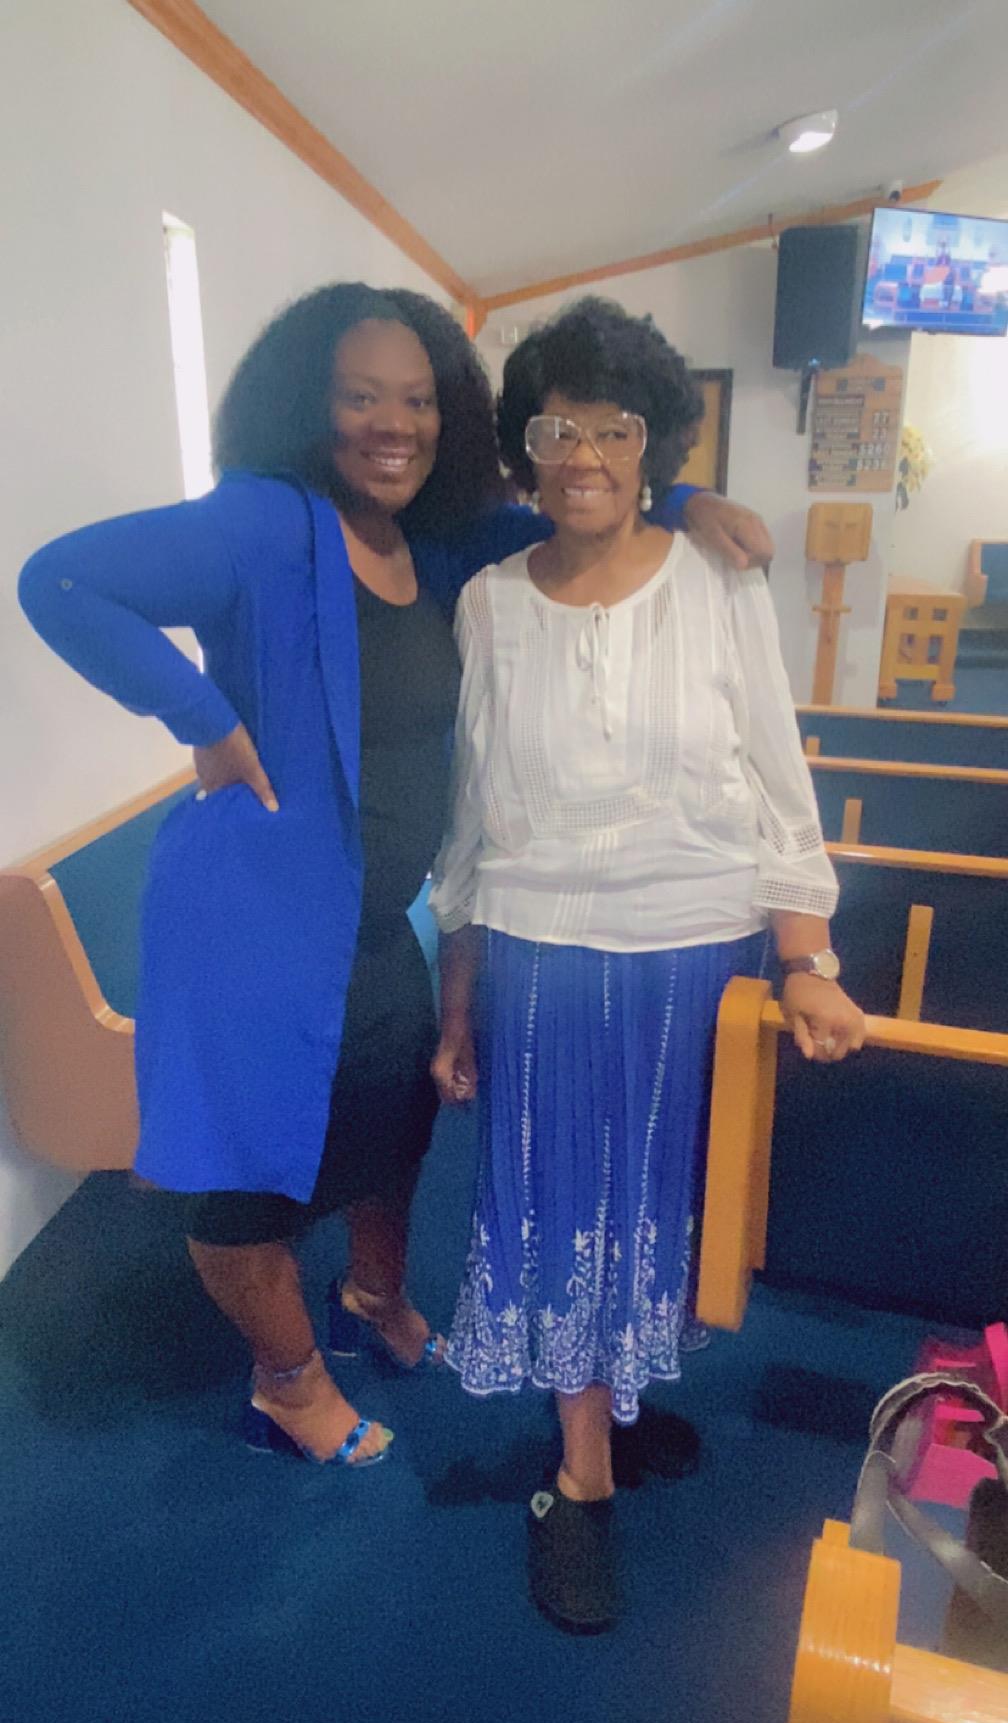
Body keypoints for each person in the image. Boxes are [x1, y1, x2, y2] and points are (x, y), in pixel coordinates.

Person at [19, 281, 774, 1470]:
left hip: (379, 922)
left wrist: (681, 494)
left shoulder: (432, 536)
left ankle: (370, 1300)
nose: (395, 423)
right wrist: (202, 719)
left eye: (419, 398)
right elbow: (61, 581)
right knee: (248, 1188)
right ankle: (287, 1382)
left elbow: (577, 513)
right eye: (361, 395)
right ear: (306, 405)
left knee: (398, 1119)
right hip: (256, 927)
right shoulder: (266, 523)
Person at [430, 297, 865, 1627]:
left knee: (653, 1201)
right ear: (525, 446)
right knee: (562, 1205)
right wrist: (457, 1000)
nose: (583, 454)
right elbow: (475, 809)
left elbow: (775, 775)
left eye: (614, 427)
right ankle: (580, 1478)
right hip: (546, 958)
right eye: (556, 426)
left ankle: (611, 1404)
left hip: (695, 952)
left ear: (653, 444)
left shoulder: (721, 580)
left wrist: (808, 953)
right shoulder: (490, 605)